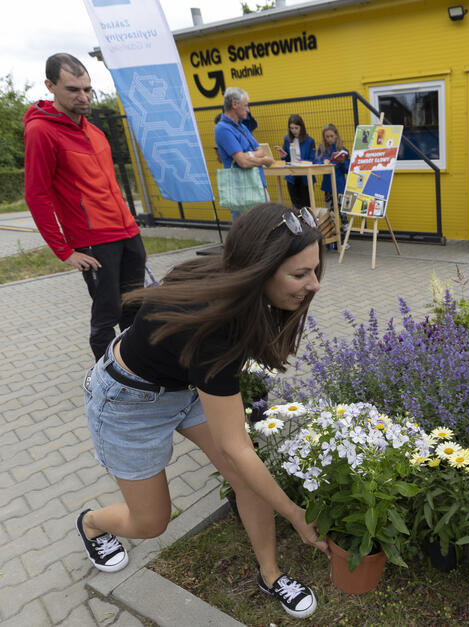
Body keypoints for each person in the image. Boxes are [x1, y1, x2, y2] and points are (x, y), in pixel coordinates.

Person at [76, 204, 329, 619]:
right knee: (151, 523)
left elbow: (238, 455)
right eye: (300, 274)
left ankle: (270, 575)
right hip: (127, 403)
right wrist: (297, 516)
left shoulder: (230, 279)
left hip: (185, 386)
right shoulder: (214, 329)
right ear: (259, 270)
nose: (314, 285)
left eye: (314, 269)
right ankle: (91, 523)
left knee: (246, 482)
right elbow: (237, 447)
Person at [24, 53, 147, 362]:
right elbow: (36, 195)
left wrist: (130, 223)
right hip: (93, 240)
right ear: (50, 86)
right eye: (73, 90)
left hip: (127, 232)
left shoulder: (95, 131)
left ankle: (137, 370)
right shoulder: (41, 131)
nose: (84, 97)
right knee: (108, 314)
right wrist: (64, 251)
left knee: (135, 307)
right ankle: (109, 382)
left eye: (87, 89)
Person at [214, 87, 274, 221]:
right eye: (246, 105)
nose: (248, 110)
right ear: (234, 104)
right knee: (249, 232)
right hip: (241, 191)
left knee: (265, 226)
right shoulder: (222, 129)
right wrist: (263, 161)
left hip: (257, 185)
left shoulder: (242, 126)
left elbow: (261, 150)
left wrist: (248, 155)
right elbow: (242, 162)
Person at [276, 114, 316, 209]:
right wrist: (283, 156)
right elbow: (287, 159)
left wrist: (301, 163)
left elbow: (312, 159)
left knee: (306, 204)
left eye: (296, 128)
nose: (293, 131)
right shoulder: (287, 139)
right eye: (291, 128)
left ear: (301, 127)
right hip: (292, 176)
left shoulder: (309, 141)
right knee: (295, 204)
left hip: (305, 176)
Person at [314, 123, 349, 225]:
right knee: (329, 211)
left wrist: (342, 162)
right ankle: (333, 234)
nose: (329, 139)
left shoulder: (342, 149)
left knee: (342, 211)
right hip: (328, 186)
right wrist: (322, 163)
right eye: (327, 137)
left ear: (336, 135)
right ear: (324, 137)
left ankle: (345, 233)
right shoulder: (322, 149)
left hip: (340, 185)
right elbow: (315, 162)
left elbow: (347, 169)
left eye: (331, 136)